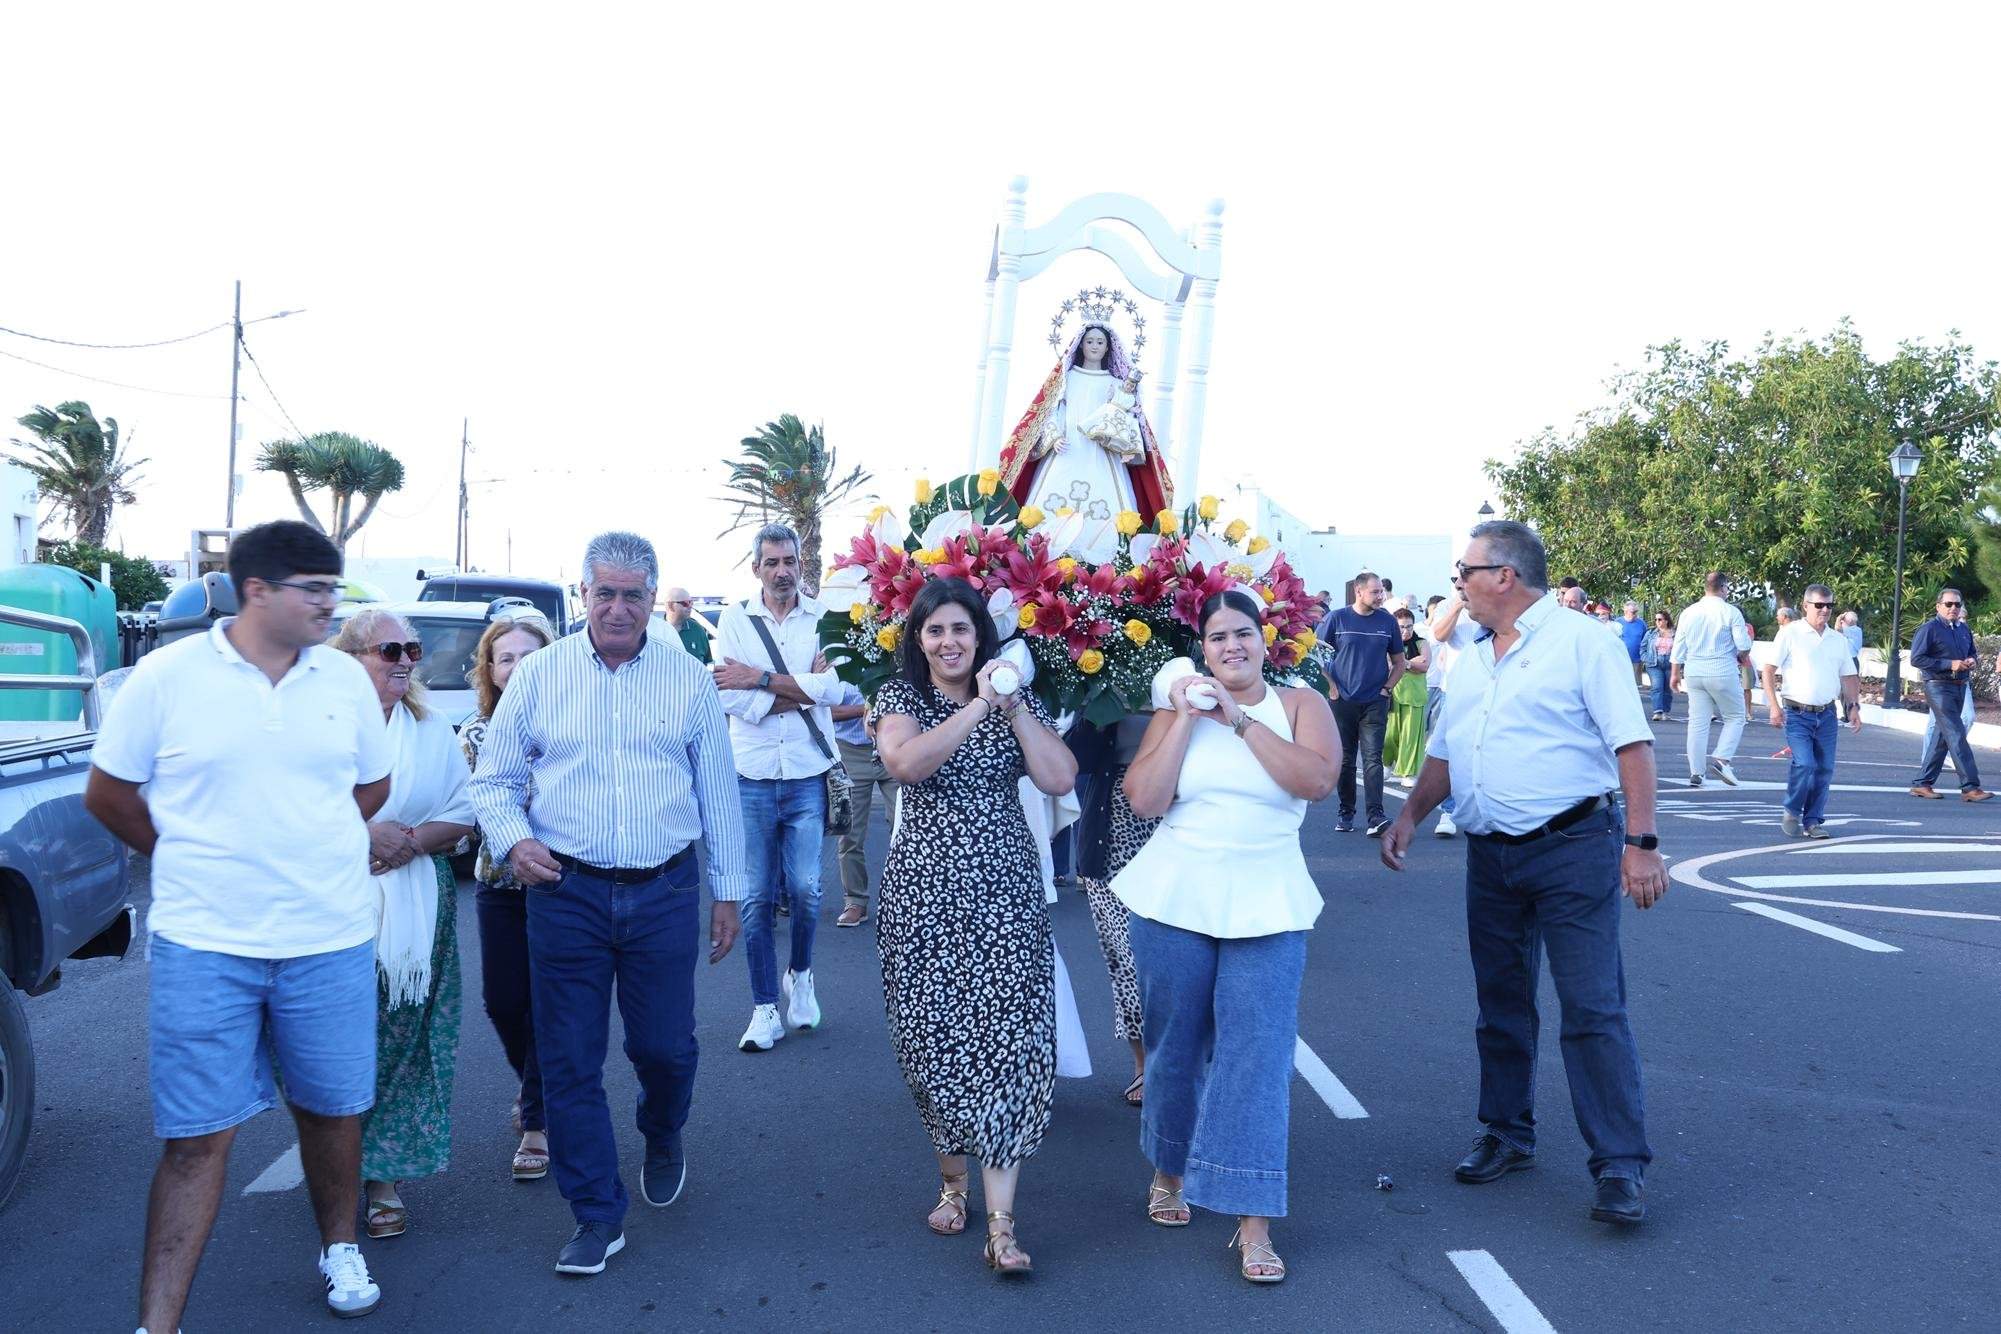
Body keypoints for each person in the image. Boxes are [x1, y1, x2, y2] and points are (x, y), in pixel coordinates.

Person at [84, 520, 393, 1327]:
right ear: (257, 590)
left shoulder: (343, 682)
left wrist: (304, 850)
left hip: (328, 938)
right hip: (206, 945)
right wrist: (194, 859)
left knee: (333, 1111)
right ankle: (158, 1324)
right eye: (314, 589)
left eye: (334, 587)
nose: (331, 605)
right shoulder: (165, 677)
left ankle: (339, 1246)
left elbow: (371, 788)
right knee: (196, 1139)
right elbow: (109, 794)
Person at [469, 530, 747, 1277]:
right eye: (605, 593)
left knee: (665, 1047)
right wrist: (512, 840)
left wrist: (729, 894)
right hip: (566, 892)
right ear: (581, 595)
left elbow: (718, 792)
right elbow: (493, 782)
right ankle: (595, 1213)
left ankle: (662, 1127)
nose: (618, 608)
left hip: (662, 889)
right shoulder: (540, 675)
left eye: (633, 594)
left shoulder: (686, 679)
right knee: (567, 1060)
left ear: (653, 599)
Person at [1381, 520, 1665, 1227]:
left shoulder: (1582, 642)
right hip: (1491, 855)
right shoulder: (1470, 658)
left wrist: (1641, 843)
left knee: (1591, 1006)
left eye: (1464, 572)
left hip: (1572, 846)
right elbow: (1446, 753)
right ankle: (1506, 1133)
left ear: (1503, 575)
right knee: (1501, 1004)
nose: (1459, 585)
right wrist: (1411, 814)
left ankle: (1619, 1167)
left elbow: (1631, 745)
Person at [1115, 591, 1340, 1284]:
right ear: (1201, 649)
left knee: (1257, 1056)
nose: (1230, 646)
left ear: (1262, 640)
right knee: (1173, 1044)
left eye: (1241, 633)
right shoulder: (1173, 710)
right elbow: (1143, 800)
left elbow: (1316, 780)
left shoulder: (1301, 706)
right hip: (1173, 896)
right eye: (1216, 638)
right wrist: (1184, 717)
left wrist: (1238, 720)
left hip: (1267, 900)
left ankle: (1251, 1219)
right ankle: (1170, 1168)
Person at [870, 577, 1078, 1277]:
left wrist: (1012, 708)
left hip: (1005, 894)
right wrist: (977, 707)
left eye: (960, 629)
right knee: (932, 1041)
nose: (949, 642)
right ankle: (951, 1182)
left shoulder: (1012, 699)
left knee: (1009, 1041)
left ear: (980, 637)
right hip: (924, 898)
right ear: (918, 641)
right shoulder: (901, 700)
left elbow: (1058, 776)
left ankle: (1002, 1224)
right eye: (934, 631)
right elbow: (905, 763)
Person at [330, 609, 478, 1239]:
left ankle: (382, 1174)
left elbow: (465, 808)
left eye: (413, 650)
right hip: (334, 904)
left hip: (419, 902)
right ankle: (336, 1158)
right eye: (390, 650)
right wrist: (360, 835)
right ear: (351, 657)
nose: (406, 662)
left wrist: (406, 841)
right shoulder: (322, 725)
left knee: (406, 1038)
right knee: (339, 1042)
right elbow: (289, 808)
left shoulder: (428, 726)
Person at [710, 523, 845, 1050]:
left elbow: (835, 688)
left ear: (800, 564)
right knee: (756, 898)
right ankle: (765, 1006)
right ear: (756, 569)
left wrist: (761, 678)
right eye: (773, 563)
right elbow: (729, 698)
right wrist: (802, 689)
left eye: (790, 561)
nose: (783, 571)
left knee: (809, 890)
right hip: (753, 777)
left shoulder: (825, 619)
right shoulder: (734, 619)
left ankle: (802, 974)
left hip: (808, 772)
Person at [460, 612, 559, 1181]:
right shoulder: (475, 733)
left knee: (551, 1004)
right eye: (506, 658)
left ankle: (537, 1123)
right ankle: (533, 1084)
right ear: (490, 671)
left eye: (529, 655)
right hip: (499, 883)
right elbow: (476, 807)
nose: (518, 666)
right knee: (504, 1002)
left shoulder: (572, 723)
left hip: (560, 885)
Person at [997, 322, 1174, 551]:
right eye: (1090, 341)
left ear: (1108, 347)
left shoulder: (1116, 383)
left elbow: (1125, 416)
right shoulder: (1066, 378)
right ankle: (1041, 549)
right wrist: (1054, 437)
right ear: (1080, 345)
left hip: (1102, 452)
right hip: (1067, 448)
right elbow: (1052, 411)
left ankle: (1109, 553)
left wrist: (1127, 446)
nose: (1094, 346)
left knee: (1110, 511)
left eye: (1100, 342)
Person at [1083, 710, 1162, 1106]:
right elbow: (1077, 756)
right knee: (1127, 959)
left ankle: (1189, 1063)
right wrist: (1095, 705)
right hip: (1114, 827)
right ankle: (1143, 1065)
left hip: (1181, 820)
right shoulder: (1105, 668)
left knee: (1186, 958)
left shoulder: (1205, 670)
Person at [1759, 585, 1863, 836]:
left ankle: (1813, 821)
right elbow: (1769, 670)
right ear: (1806, 606)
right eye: (1819, 605)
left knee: (1824, 769)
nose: (1825, 610)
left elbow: (1849, 676)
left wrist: (1853, 707)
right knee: (1805, 764)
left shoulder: (1838, 640)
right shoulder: (1790, 633)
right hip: (1797, 713)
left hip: (1826, 714)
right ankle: (1793, 808)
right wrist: (1773, 706)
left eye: (1829, 605)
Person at [1319, 570, 1404, 836]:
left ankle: (1375, 816)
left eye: (1382, 591)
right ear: (1359, 591)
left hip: (1374, 702)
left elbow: (1400, 661)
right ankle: (1346, 813)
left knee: (1372, 759)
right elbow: (1316, 655)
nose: (1381, 596)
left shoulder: (1387, 622)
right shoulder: (1337, 618)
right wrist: (1331, 687)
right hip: (1342, 700)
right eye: (1375, 592)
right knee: (1345, 760)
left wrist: (1387, 689)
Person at [1909, 588, 1992, 802]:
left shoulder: (1963, 629)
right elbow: (1917, 659)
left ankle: (1922, 783)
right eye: (1948, 604)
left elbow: (1971, 652)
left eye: (1957, 604)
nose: (1953, 608)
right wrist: (1949, 664)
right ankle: (1970, 787)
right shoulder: (1929, 629)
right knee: (1956, 734)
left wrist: (1972, 660)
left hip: (1959, 685)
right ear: (1938, 606)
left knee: (1941, 737)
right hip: (1938, 686)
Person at [1670, 572, 1753, 788]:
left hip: (1695, 670)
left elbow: (1679, 643)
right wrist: (1741, 656)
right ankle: (1722, 758)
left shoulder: (1689, 612)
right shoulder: (1730, 612)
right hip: (1722, 669)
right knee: (1736, 716)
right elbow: (1744, 645)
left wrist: (1674, 672)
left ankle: (1696, 772)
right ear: (1724, 588)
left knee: (1697, 723)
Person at [831, 678, 899, 928]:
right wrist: (868, 707)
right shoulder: (830, 651)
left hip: (895, 746)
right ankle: (855, 901)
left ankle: (900, 899)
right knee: (849, 833)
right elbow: (822, 710)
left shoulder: (892, 641)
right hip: (849, 751)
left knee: (905, 828)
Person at [1425, 585, 1481, 837]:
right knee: (1450, 752)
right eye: (1459, 579)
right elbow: (1438, 635)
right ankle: (1448, 811)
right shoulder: (1448, 605)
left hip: (1493, 689)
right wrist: (1458, 606)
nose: (1463, 584)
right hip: (1455, 690)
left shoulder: (1493, 602)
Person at [1383, 606, 1431, 785]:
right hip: (1392, 693)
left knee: (1411, 736)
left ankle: (1408, 772)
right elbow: (1386, 664)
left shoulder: (1421, 643)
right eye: (1401, 627)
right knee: (1389, 734)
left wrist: (1403, 663)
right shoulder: (1388, 643)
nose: (1406, 630)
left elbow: (1424, 664)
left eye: (1409, 626)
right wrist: (1411, 663)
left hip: (1414, 696)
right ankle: (1386, 765)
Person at [661, 587, 711, 661]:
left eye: (691, 602)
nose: (690, 606)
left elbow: (708, 662)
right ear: (670, 606)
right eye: (685, 603)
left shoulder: (697, 629)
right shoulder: (655, 630)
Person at [1646, 611, 1676, 721]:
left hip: (1670, 663)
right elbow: (1643, 647)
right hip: (1654, 663)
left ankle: (1666, 711)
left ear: (1666, 620)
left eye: (1660, 619)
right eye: (1656, 620)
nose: (1657, 622)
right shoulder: (1651, 633)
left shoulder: (1675, 633)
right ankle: (1657, 711)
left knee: (1668, 689)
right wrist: (1646, 658)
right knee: (1657, 687)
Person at [1619, 602, 1648, 684]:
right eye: (1633, 612)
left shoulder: (1641, 623)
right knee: (1622, 684)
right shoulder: (1617, 623)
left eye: (1636, 611)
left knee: (1636, 686)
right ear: (1625, 611)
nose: (1635, 614)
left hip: (1637, 660)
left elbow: (1645, 641)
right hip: (1621, 659)